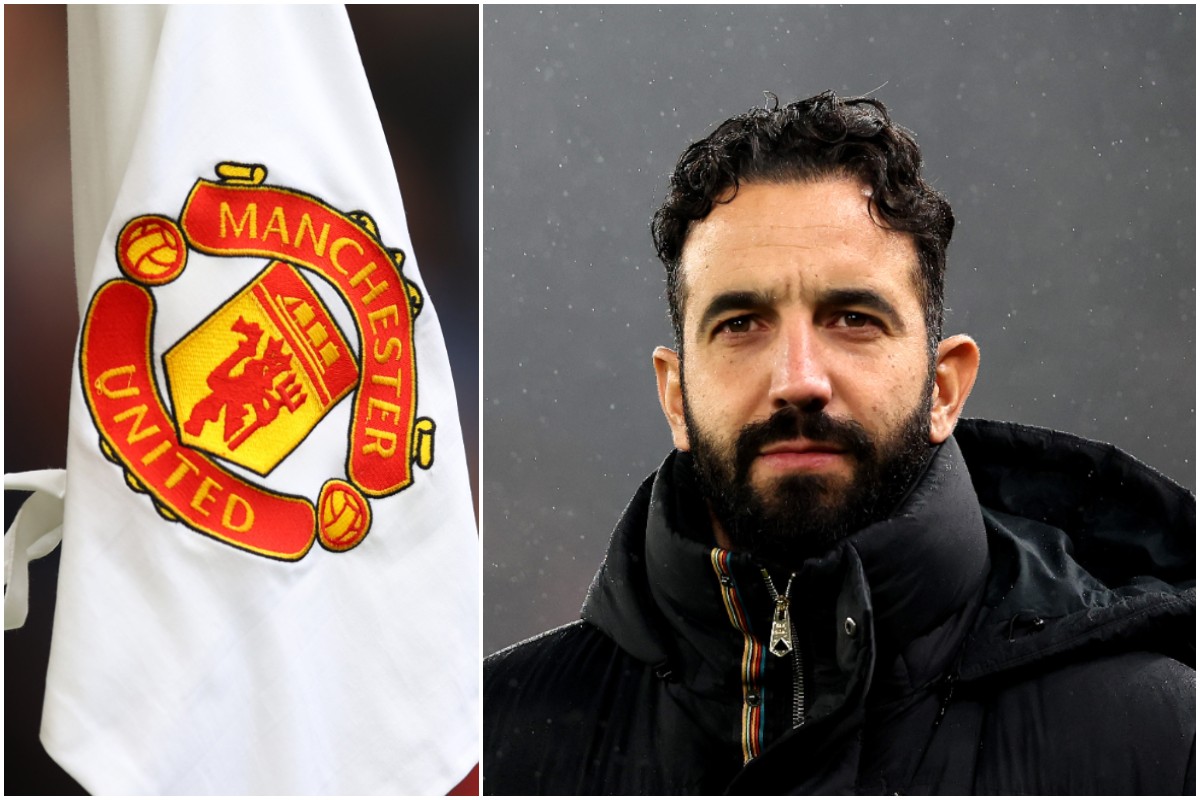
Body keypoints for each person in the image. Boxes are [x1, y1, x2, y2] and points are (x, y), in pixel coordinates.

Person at [482, 91, 1195, 795]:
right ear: (675, 395)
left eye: (852, 318)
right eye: (741, 325)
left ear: (944, 387)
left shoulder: (1159, 741)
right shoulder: (487, 745)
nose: (798, 381)